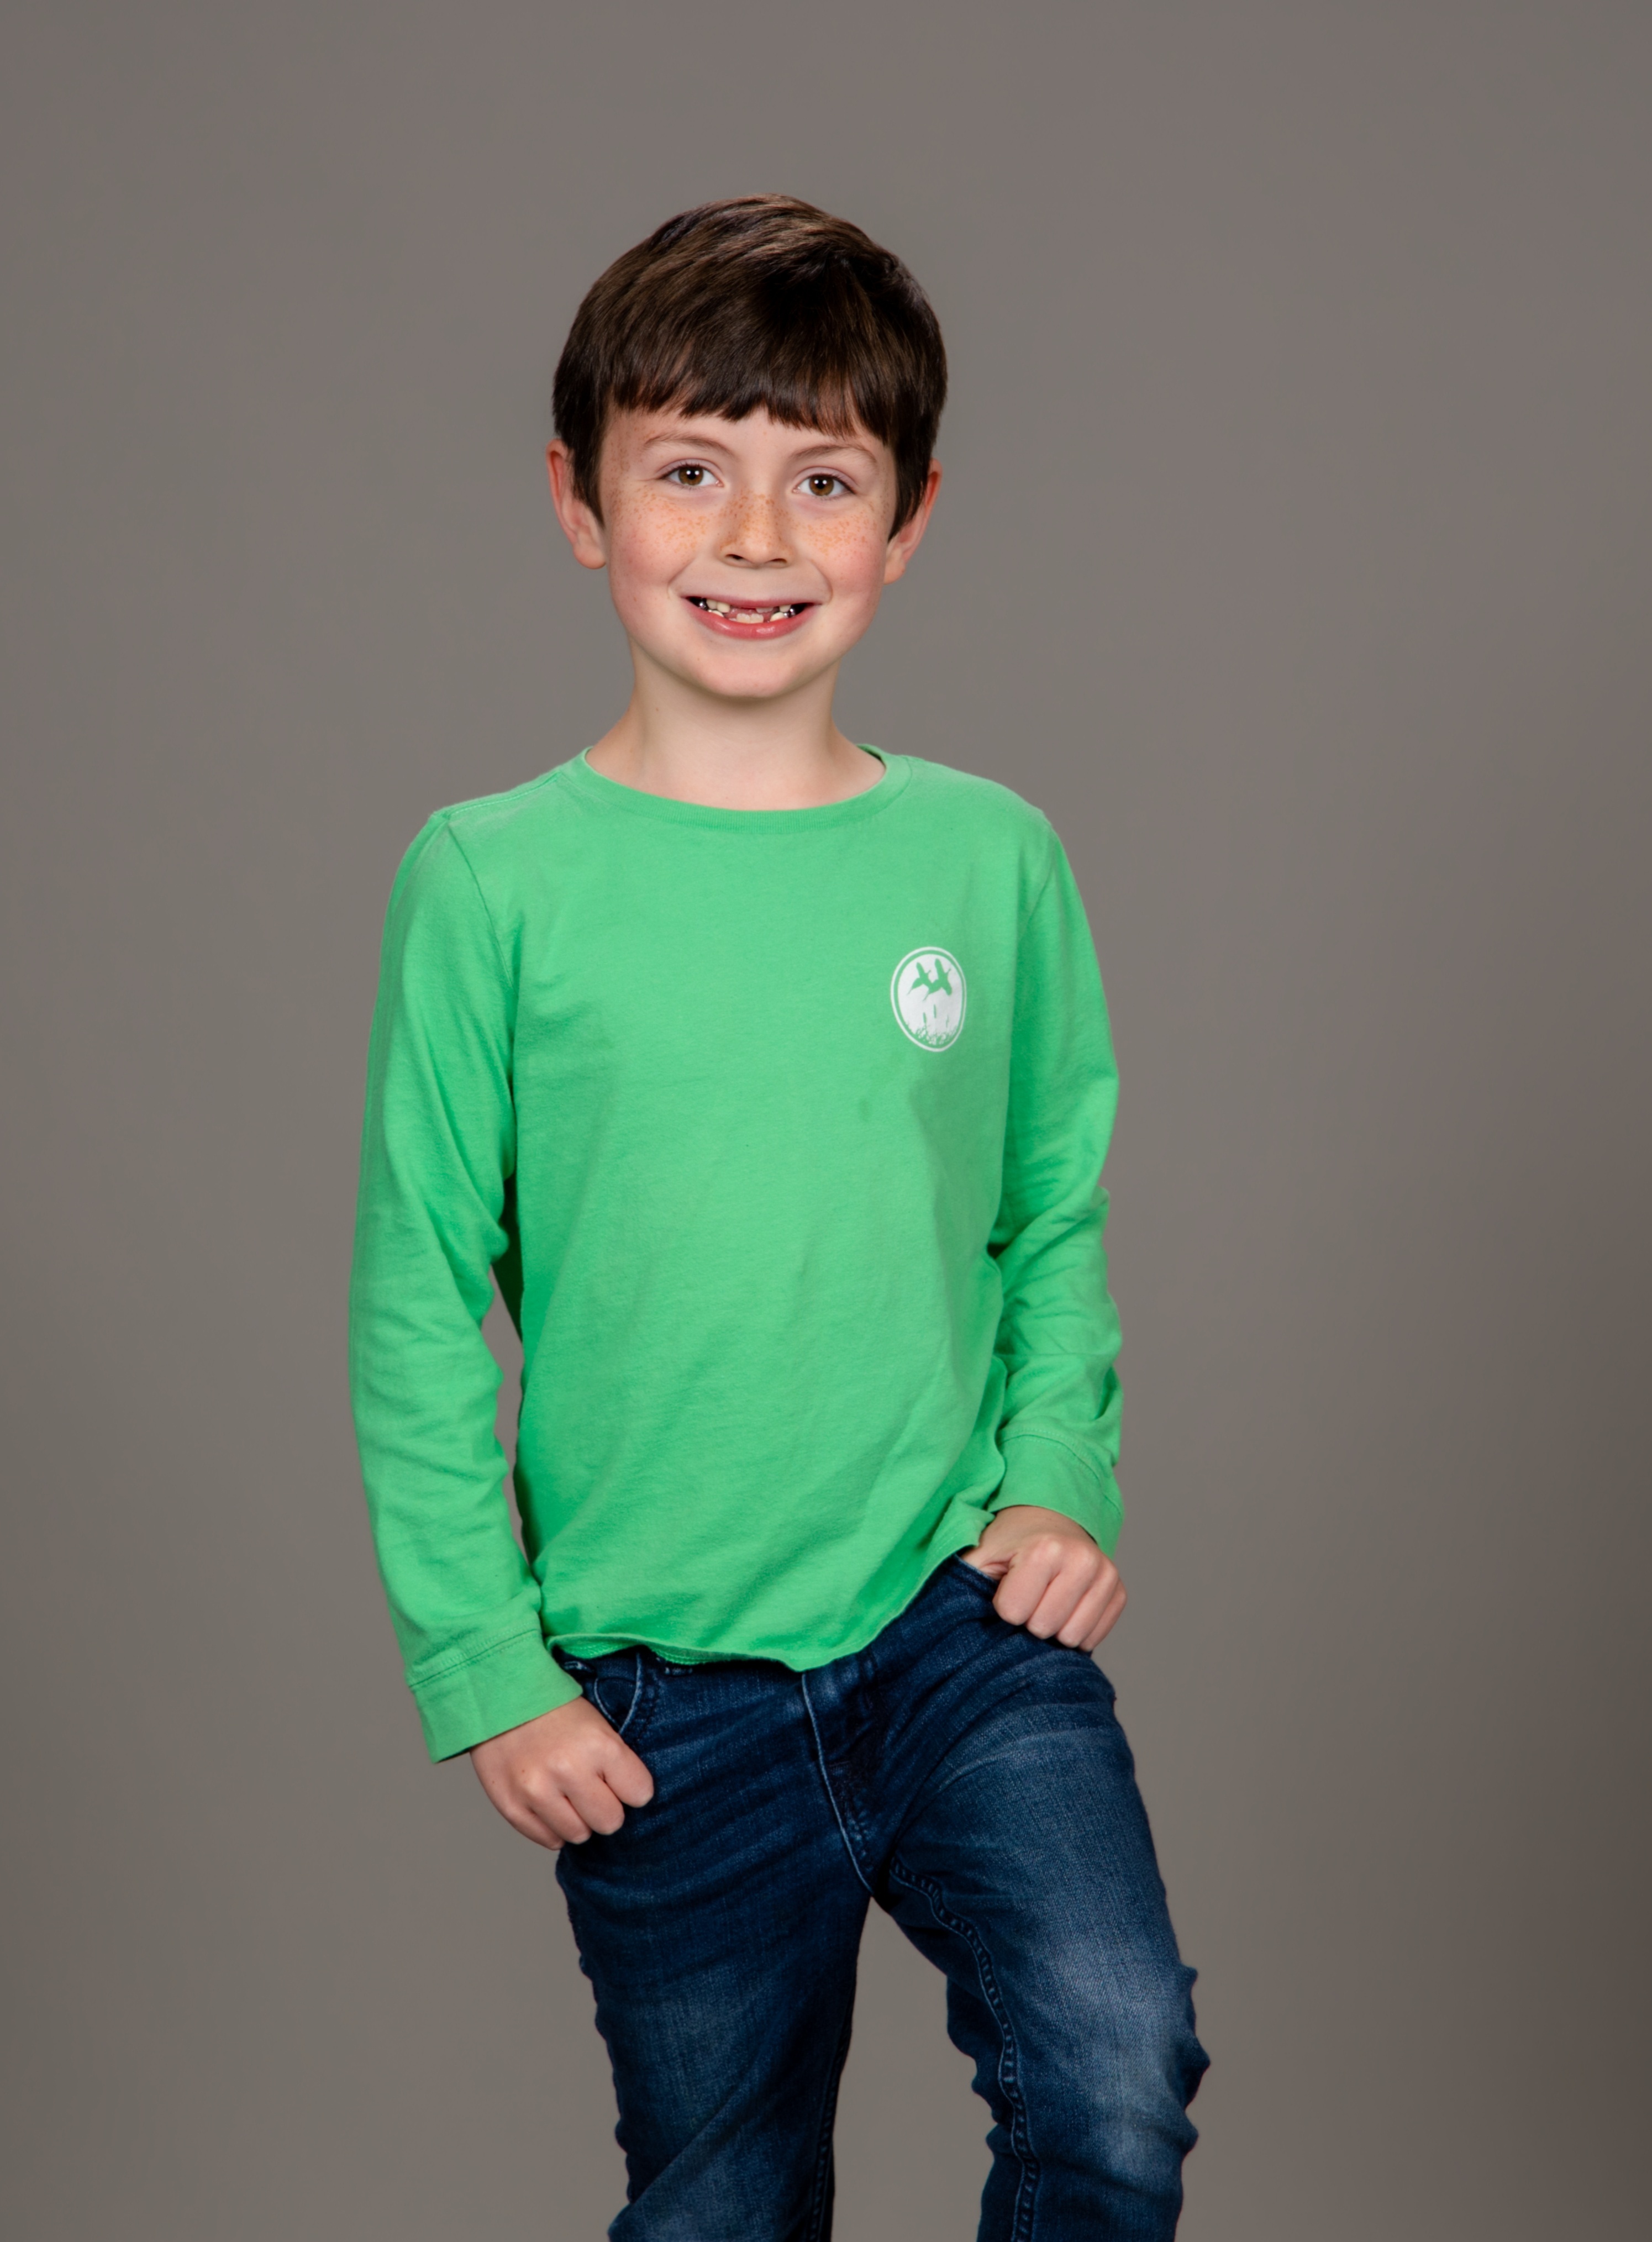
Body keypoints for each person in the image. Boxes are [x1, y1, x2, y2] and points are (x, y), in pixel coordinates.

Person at [348, 194, 1208, 2241]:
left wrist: (1060, 1473)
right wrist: (488, 1665)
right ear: (579, 501)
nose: (755, 535)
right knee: (723, 2201)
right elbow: (415, 1298)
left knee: (1116, 2068)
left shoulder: (992, 858)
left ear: (908, 521)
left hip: (952, 1622)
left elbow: (1048, 1211)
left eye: (823, 479)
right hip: (657, 1692)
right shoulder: (490, 882)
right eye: (688, 471)